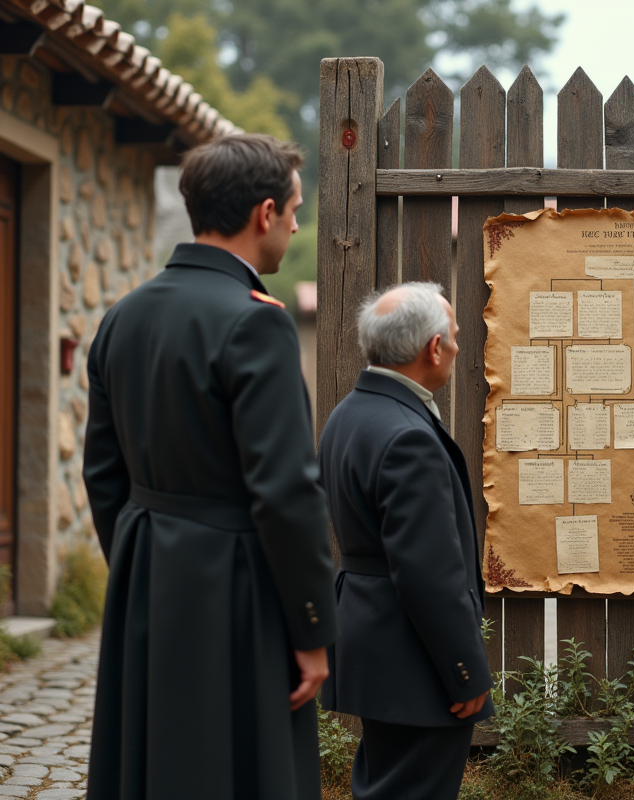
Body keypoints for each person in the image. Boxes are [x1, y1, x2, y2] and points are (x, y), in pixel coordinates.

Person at [83, 134, 338, 799]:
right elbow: (285, 490)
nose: (294, 225)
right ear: (263, 213)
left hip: (144, 574)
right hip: (237, 591)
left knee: (152, 766)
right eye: (294, 210)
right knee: (236, 769)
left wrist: (142, 562)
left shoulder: (122, 317)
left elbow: (103, 474)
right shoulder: (257, 324)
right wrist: (311, 629)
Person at [319, 283, 493, 800]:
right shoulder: (408, 436)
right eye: (455, 336)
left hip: (374, 643)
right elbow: (429, 575)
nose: (459, 347)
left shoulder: (347, 415)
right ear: (432, 349)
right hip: (414, 659)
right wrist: (464, 671)